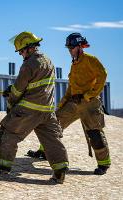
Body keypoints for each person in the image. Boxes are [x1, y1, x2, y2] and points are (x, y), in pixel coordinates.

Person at [0, 31, 69, 184]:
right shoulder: (48, 61)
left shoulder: (29, 64)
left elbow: (19, 89)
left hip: (29, 109)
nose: (20, 54)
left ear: (29, 48)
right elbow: (35, 85)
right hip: (47, 111)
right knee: (52, 140)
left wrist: (11, 99)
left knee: (9, 133)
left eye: (21, 51)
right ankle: (60, 170)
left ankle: (2, 165)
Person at [26, 33, 110, 175]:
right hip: (73, 102)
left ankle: (103, 164)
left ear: (80, 46)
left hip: (89, 103)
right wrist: (63, 102)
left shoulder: (90, 60)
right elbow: (72, 86)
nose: (69, 50)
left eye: (71, 48)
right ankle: (44, 151)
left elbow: (103, 74)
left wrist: (91, 94)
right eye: (68, 48)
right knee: (53, 124)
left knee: (95, 134)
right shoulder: (74, 64)